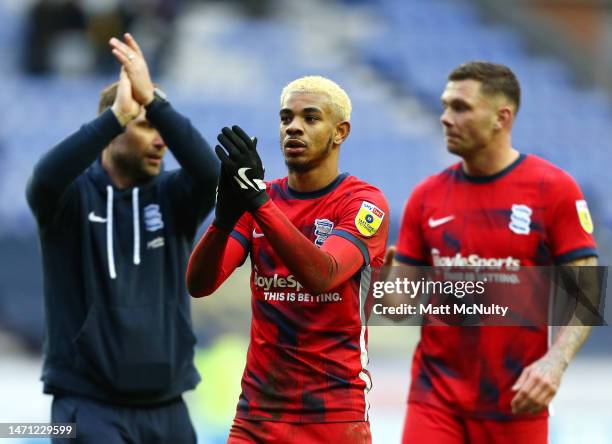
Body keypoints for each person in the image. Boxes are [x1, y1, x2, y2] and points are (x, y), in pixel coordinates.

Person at [388, 61, 598, 443]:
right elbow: (397, 308)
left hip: (517, 400)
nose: (445, 118)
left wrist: (555, 362)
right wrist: (385, 287)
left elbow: (586, 289)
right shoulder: (426, 196)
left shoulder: (553, 189)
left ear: (502, 117)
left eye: (461, 107)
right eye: (445, 105)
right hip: (435, 398)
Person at [26, 33, 218, 444]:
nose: (161, 140)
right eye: (146, 125)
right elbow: (43, 180)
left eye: (161, 127)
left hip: (169, 410)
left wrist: (157, 106)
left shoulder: (173, 197)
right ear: (111, 132)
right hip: (87, 408)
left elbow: (211, 176)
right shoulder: (73, 200)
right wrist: (116, 115)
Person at [186, 76, 389, 443]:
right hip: (256, 416)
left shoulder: (363, 203)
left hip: (333, 415)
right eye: (286, 118)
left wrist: (258, 203)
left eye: (310, 118)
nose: (293, 127)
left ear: (339, 131)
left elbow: (322, 275)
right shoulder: (258, 202)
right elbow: (199, 285)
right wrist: (224, 219)